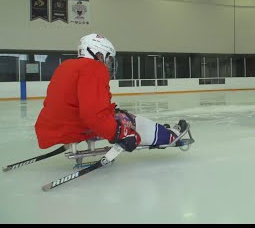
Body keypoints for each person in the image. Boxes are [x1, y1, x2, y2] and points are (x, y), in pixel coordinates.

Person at [34, 33, 186, 153]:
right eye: (108, 58)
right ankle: (170, 135)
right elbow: (92, 115)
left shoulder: (66, 66)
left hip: (55, 126)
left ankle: (161, 131)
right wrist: (119, 132)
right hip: (77, 127)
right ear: (99, 55)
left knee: (117, 116)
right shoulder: (93, 68)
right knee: (128, 120)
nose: (108, 63)